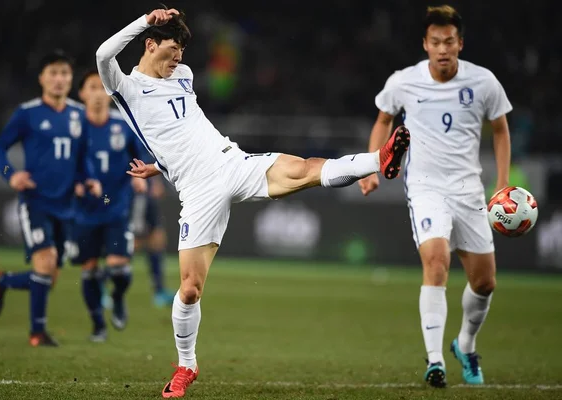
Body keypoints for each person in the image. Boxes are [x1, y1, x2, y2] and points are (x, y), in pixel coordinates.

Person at [96, 7, 409, 397]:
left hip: (231, 162)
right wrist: (147, 18)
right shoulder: (123, 86)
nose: (179, 59)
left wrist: (159, 165)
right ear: (150, 44)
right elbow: (102, 55)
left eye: (181, 52)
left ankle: (380, 159)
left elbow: (180, 130)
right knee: (190, 288)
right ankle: (186, 366)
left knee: (304, 169)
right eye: (173, 49)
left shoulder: (184, 76)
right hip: (196, 191)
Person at [358, 5, 512, 388]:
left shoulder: (484, 82)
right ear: (425, 44)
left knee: (485, 283)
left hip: (469, 189)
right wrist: (371, 167)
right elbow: (382, 120)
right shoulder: (404, 82)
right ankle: (434, 360)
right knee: (437, 260)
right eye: (435, 42)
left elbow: (501, 131)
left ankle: (465, 344)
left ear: (460, 43)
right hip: (426, 188)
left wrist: (503, 185)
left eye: (449, 42)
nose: (443, 49)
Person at [0, 50, 102, 347]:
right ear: (42, 78)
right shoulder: (27, 113)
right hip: (36, 202)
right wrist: (10, 174)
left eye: (64, 73)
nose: (59, 79)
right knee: (45, 262)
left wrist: (87, 180)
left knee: (48, 277)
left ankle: (1, 281)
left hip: (67, 206)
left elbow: (82, 159)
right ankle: (37, 333)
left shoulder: (79, 115)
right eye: (53, 73)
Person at [71, 69, 148, 342]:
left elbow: (140, 156)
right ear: (82, 94)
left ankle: (116, 297)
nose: (98, 94)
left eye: (102, 88)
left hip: (116, 207)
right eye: (91, 87)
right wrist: (76, 183)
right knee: (89, 268)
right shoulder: (73, 129)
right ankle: (97, 325)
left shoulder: (124, 124)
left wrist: (141, 177)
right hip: (83, 211)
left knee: (118, 268)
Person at [131, 169, 174, 308]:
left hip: (149, 196)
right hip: (140, 194)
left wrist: (158, 181)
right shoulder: (139, 147)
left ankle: (159, 291)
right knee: (133, 245)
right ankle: (100, 283)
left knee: (157, 241)